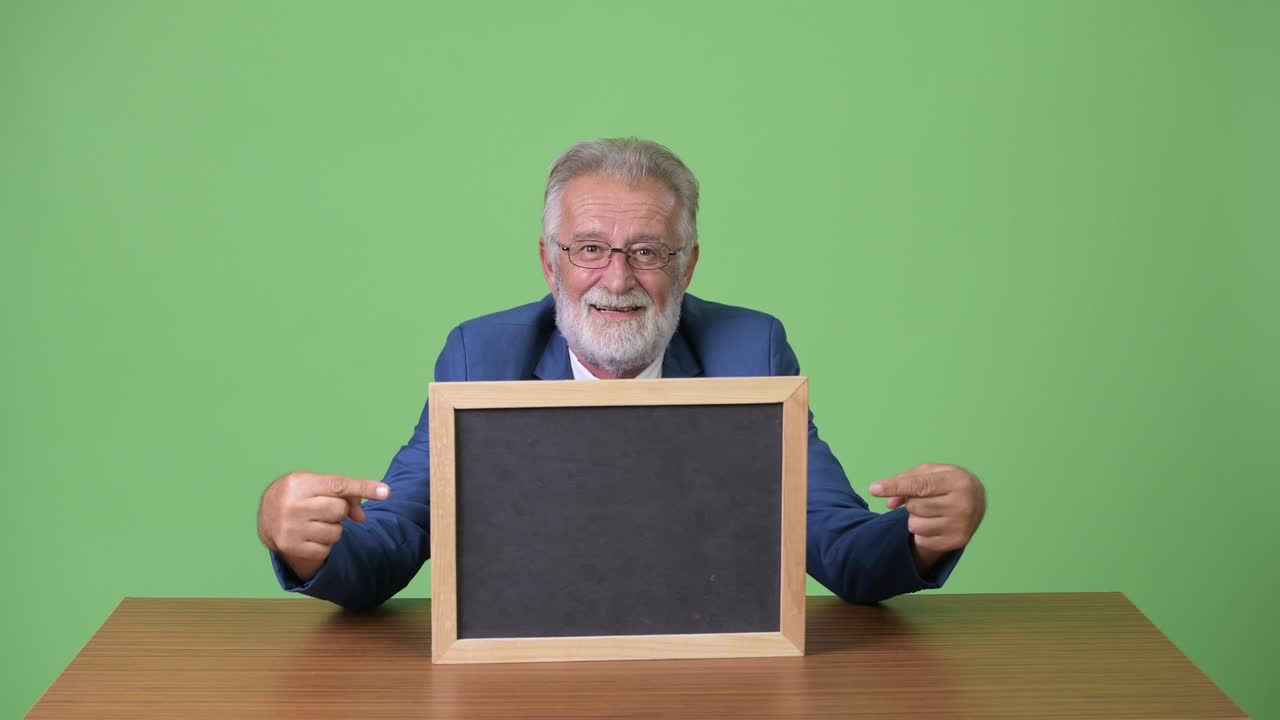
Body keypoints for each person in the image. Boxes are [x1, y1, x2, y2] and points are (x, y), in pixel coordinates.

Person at [257, 138, 987, 610]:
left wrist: (921, 538)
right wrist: (302, 539)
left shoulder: (750, 351)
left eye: (647, 251)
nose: (617, 278)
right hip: (527, 683)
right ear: (550, 264)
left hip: (714, 678)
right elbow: (390, 543)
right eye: (589, 250)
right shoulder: (483, 356)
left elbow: (838, 547)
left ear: (688, 263)